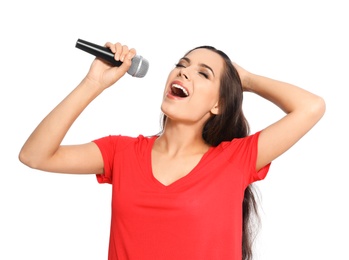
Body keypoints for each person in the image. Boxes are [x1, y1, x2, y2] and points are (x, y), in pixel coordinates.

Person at [18, 41, 326, 260]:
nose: (184, 73)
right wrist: (93, 82)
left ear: (217, 103)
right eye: (181, 65)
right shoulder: (121, 152)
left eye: (203, 74)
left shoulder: (235, 159)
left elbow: (311, 107)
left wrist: (244, 79)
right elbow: (35, 155)